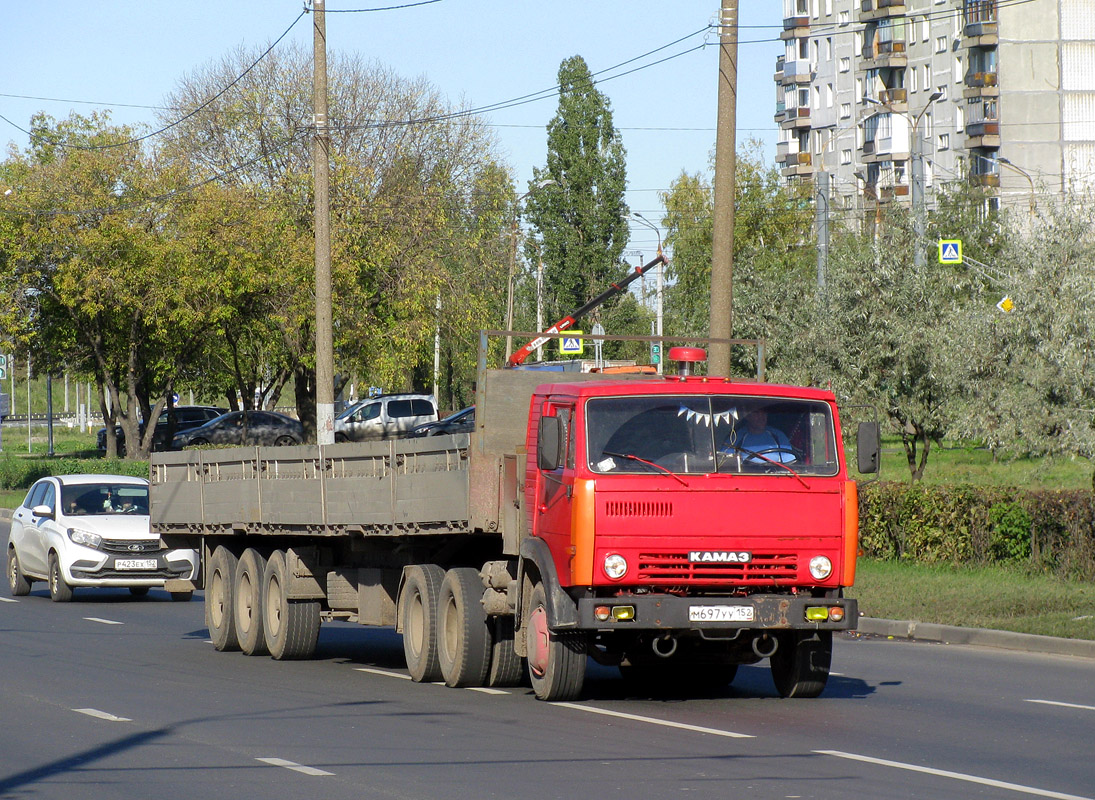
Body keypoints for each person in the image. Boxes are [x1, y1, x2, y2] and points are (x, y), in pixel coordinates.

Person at [722, 407, 796, 464]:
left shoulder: (778, 435)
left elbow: (789, 463)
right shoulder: (735, 437)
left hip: (774, 478)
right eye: (756, 413)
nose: (761, 417)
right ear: (747, 416)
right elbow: (726, 462)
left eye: (763, 413)